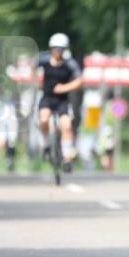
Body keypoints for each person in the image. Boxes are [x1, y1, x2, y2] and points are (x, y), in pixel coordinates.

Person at [36, 33, 83, 172]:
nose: (58, 51)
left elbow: (80, 80)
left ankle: (67, 159)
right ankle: (46, 145)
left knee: (66, 126)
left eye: (61, 49)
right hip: (47, 97)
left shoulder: (70, 64)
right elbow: (31, 68)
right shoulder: (43, 60)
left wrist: (64, 88)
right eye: (56, 48)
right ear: (51, 49)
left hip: (63, 100)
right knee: (44, 120)